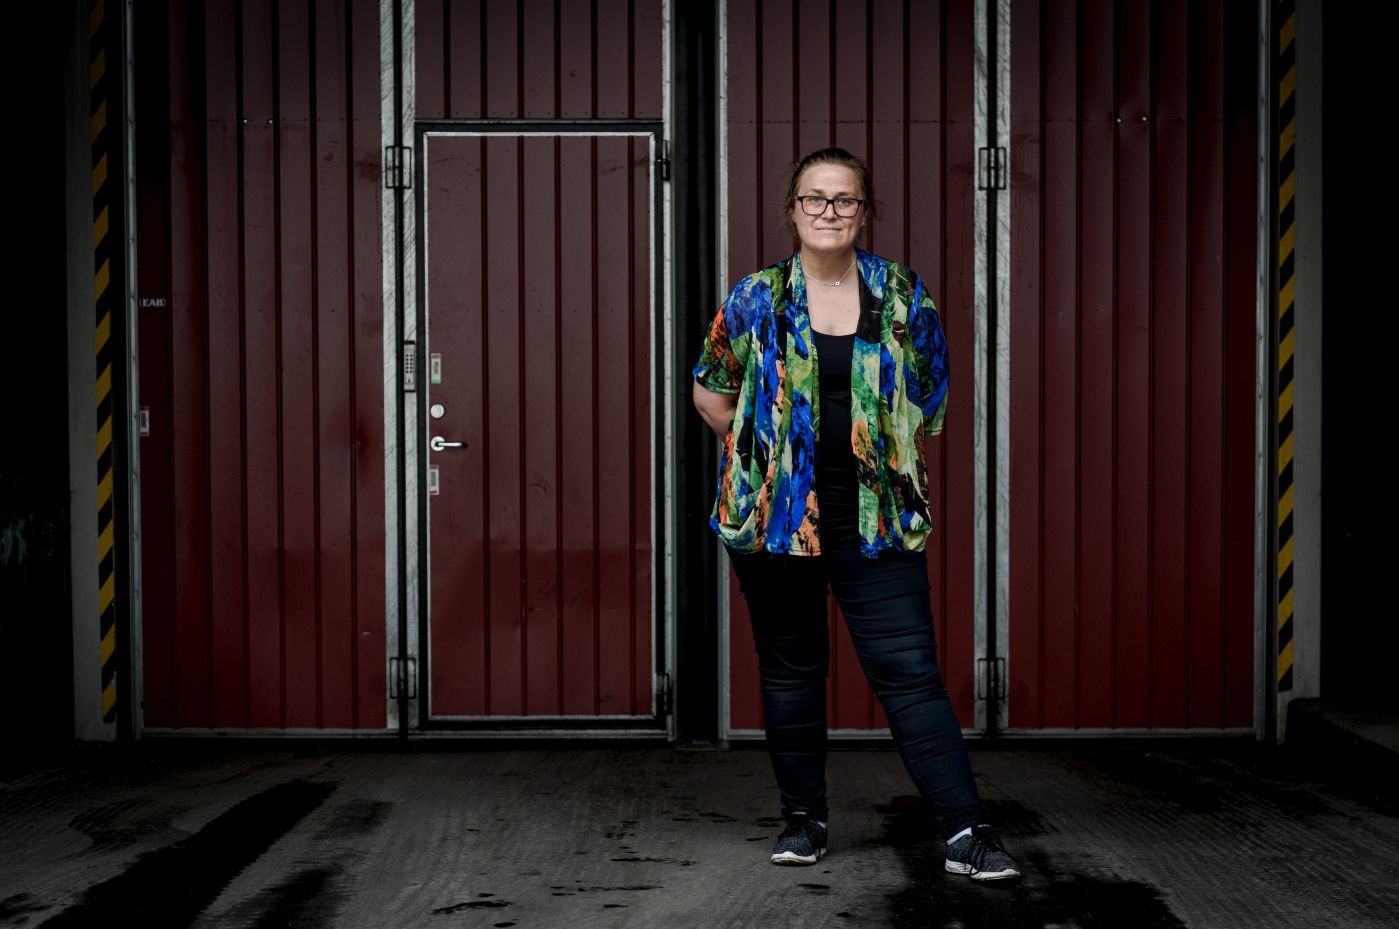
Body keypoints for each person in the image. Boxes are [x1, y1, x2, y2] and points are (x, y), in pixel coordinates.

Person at [692, 147, 1019, 881]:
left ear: (864, 212)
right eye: (815, 198)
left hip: (878, 520)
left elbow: (930, 394)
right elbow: (711, 389)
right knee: (791, 669)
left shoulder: (901, 293)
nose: (829, 212)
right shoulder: (755, 297)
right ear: (792, 209)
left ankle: (966, 831)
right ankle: (803, 820)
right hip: (776, 522)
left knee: (910, 672)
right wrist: (771, 460)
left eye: (844, 199)